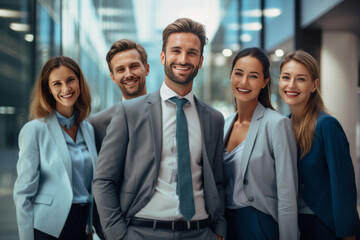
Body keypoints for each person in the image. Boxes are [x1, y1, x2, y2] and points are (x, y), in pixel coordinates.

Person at [92, 18, 226, 240]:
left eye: (192, 52)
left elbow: (218, 182)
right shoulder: (129, 112)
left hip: (201, 232)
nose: (183, 59)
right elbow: (103, 180)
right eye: (176, 51)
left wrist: (219, 230)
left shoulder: (214, 118)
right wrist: (118, 235)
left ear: (201, 61)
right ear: (163, 57)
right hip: (143, 232)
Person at [278, 50, 360, 240]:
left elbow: (344, 187)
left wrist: (347, 234)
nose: (291, 85)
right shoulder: (282, 125)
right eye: (286, 77)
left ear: (314, 85)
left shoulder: (326, 125)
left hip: (325, 226)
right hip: (294, 226)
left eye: (300, 79)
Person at [13, 56, 97, 240]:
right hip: (48, 228)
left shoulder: (88, 129)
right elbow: (23, 193)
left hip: (82, 225)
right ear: (48, 90)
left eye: (70, 80)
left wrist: (89, 225)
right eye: (57, 83)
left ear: (80, 82)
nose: (66, 89)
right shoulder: (35, 130)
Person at [223, 47, 298, 240]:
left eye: (253, 76)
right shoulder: (223, 125)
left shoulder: (277, 124)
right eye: (238, 73)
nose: (244, 82)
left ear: (264, 82)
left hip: (259, 222)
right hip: (225, 224)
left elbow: (287, 192)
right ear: (231, 75)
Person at [88, 39, 149, 153]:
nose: (128, 74)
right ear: (113, 77)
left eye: (134, 66)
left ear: (146, 69)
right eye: (121, 70)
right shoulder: (98, 123)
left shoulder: (166, 111)